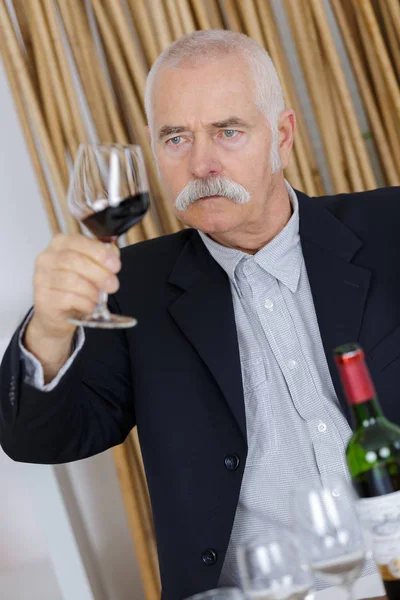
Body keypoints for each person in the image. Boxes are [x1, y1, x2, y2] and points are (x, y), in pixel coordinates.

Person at [0, 29, 399, 600]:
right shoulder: (129, 286)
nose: (201, 163)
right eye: (176, 137)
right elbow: (40, 440)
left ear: (281, 136)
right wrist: (50, 329)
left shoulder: (391, 229)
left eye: (228, 131)